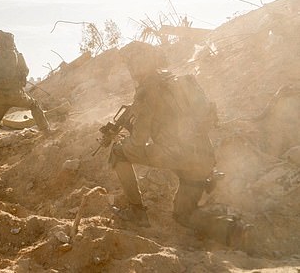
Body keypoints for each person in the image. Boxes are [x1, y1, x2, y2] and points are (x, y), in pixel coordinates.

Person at [104, 41, 251, 248]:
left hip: (177, 155)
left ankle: (137, 213)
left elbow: (138, 143)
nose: (130, 68)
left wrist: (121, 140)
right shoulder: (174, 81)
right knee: (183, 214)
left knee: (119, 153)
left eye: (131, 63)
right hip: (203, 158)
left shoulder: (147, 91)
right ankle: (234, 230)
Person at [0, 30, 50, 164]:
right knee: (34, 105)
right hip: (16, 94)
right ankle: (46, 132)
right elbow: (25, 71)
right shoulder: (16, 55)